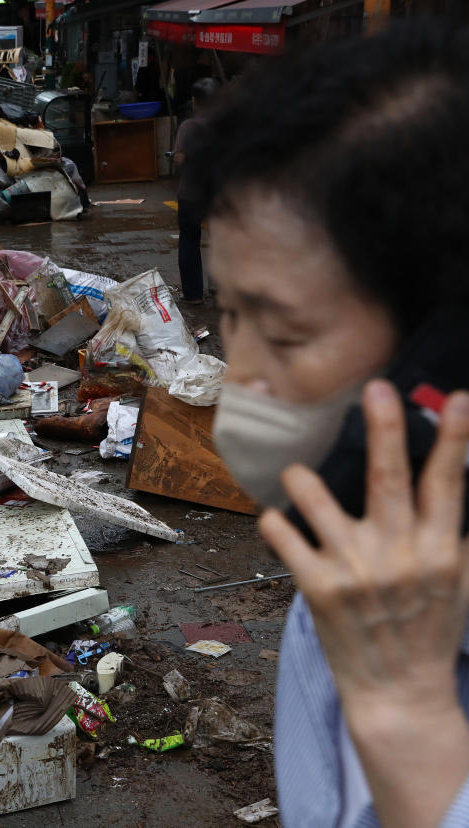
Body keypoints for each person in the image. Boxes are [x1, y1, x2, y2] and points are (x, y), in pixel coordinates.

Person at [182, 24, 469, 828]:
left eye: (286, 335)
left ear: (441, 358)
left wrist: (412, 728)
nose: (239, 376)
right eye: (230, 315)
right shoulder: (348, 586)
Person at [172, 77, 217, 304]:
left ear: (194, 101)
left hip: (191, 193)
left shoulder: (188, 127)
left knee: (190, 240)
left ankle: (194, 295)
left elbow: (179, 158)